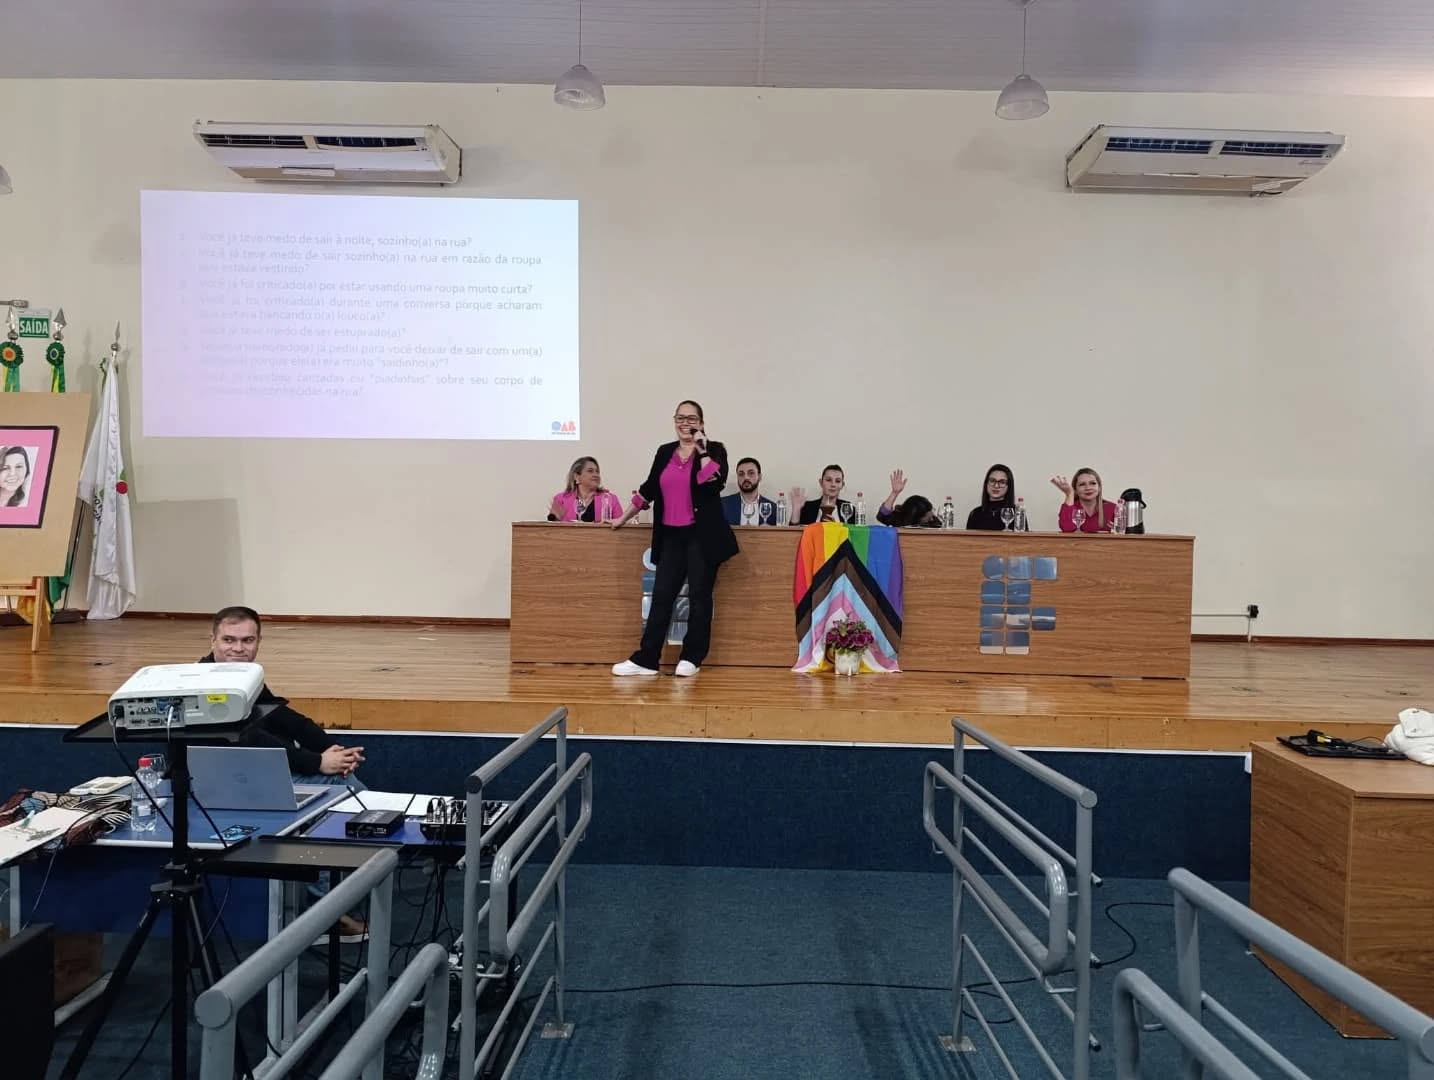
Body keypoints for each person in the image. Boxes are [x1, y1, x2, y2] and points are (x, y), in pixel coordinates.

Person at [200, 605, 367, 936]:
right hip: (227, 780)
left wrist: (332, 748)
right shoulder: (205, 684)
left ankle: (333, 898)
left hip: (252, 770)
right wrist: (318, 762)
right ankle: (323, 914)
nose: (238, 648)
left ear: (259, 642)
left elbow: (284, 718)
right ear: (213, 640)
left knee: (347, 787)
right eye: (229, 640)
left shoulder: (245, 677)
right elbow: (252, 740)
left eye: (247, 640)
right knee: (344, 794)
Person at [610, 400, 738, 677]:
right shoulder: (665, 452)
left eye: (691, 419)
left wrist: (702, 449)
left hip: (701, 536)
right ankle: (647, 659)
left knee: (699, 597)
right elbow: (649, 489)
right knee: (662, 596)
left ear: (701, 423)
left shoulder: (715, 450)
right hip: (671, 535)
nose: (685, 423)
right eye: (680, 418)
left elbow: (713, 482)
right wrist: (622, 517)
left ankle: (692, 657)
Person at [547, 456, 623, 523]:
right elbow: (552, 529)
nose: (596, 475)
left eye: (597, 472)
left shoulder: (610, 499)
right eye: (590, 471)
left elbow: (621, 527)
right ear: (576, 476)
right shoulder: (561, 499)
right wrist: (555, 519)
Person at [1052, 468, 1118, 533]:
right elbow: (1067, 529)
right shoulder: (1070, 507)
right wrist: (1069, 494)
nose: (1088, 488)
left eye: (1093, 483)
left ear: (1099, 487)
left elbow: (1122, 533)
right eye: (1082, 484)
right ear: (1075, 490)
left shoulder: (1113, 508)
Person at [721, 457, 779, 526]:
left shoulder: (773, 508)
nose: (746, 477)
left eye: (751, 473)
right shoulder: (722, 504)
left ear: (759, 477)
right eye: (741, 474)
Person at [967, 464, 1016, 531]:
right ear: (986, 483)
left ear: (1009, 486)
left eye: (1002, 482)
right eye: (992, 481)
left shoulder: (1017, 513)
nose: (996, 486)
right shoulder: (975, 513)